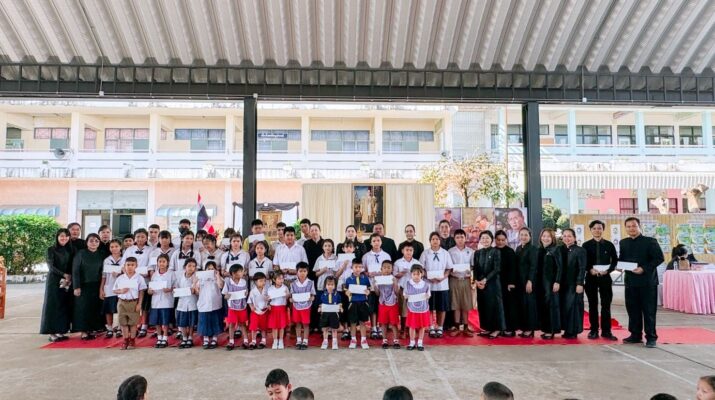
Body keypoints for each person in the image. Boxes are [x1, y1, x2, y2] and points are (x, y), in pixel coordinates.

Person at [619, 216, 664, 348]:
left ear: (639, 227)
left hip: (647, 282)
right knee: (632, 310)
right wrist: (619, 265)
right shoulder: (623, 242)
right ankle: (635, 335)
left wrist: (643, 268)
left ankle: (651, 337)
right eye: (628, 226)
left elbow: (659, 258)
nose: (631, 228)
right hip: (630, 282)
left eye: (634, 226)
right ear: (625, 228)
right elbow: (622, 258)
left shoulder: (650, 241)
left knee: (649, 311)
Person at [582, 220, 618, 340]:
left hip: (605, 278)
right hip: (591, 278)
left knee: (606, 305)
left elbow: (615, 261)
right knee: (592, 305)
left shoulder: (609, 245)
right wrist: (589, 269)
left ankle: (606, 331)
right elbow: (583, 261)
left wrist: (608, 270)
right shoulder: (586, 245)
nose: (597, 230)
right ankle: (593, 330)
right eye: (594, 228)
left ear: (603, 229)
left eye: (599, 228)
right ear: (591, 230)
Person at [40, 228, 75, 342]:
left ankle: (60, 331)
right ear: (57, 237)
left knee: (63, 305)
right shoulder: (51, 249)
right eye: (61, 236)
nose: (64, 238)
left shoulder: (71, 250)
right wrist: (64, 274)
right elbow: (51, 266)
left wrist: (69, 276)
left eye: (66, 236)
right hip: (54, 281)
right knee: (53, 306)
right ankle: (52, 333)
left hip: (67, 281)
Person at [419, 231, 453, 338]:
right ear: (430, 241)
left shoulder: (445, 253)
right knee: (430, 307)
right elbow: (421, 268)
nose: (435, 241)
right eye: (433, 239)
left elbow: (449, 268)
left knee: (441, 307)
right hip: (429, 285)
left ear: (440, 241)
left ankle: (440, 327)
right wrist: (427, 276)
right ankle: (431, 327)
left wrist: (443, 277)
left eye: (437, 239)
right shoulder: (425, 253)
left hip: (442, 285)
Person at [72, 233, 105, 339]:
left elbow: (103, 271)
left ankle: (93, 329)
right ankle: (84, 332)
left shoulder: (101, 254)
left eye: (96, 241)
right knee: (83, 309)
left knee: (94, 308)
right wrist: (76, 286)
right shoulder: (80, 253)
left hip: (97, 285)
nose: (94, 243)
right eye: (91, 241)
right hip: (83, 285)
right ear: (86, 242)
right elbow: (75, 270)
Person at [473, 231, 505, 339]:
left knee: (494, 306)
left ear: (491, 239)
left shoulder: (496, 251)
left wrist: (485, 280)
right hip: (481, 284)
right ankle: (487, 328)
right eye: (483, 238)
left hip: (493, 284)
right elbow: (475, 268)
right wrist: (476, 280)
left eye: (487, 238)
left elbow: (497, 268)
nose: (485, 240)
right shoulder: (477, 253)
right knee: (483, 306)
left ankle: (496, 329)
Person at [121, 228, 152, 337]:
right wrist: (129, 273)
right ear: (134, 238)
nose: (140, 239)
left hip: (145, 280)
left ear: (146, 238)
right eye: (138, 236)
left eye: (143, 236)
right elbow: (123, 264)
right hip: (131, 281)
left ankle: (144, 326)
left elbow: (151, 265)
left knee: (144, 305)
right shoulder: (129, 250)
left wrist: (147, 273)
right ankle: (133, 325)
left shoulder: (151, 250)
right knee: (132, 304)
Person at [112, 257, 147, 350]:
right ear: (124, 266)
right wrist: (121, 291)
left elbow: (141, 291)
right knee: (123, 323)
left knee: (133, 323)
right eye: (128, 265)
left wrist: (139, 304)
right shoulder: (120, 278)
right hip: (122, 302)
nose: (130, 267)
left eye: (132, 265)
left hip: (133, 302)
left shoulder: (139, 278)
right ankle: (125, 340)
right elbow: (114, 290)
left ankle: (132, 340)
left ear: (136, 266)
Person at [363, 233, 392, 339]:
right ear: (371, 243)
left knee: (381, 307)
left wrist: (382, 273)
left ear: (381, 242)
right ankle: (373, 327)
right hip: (372, 285)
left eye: (378, 240)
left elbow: (390, 269)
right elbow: (363, 270)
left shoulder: (386, 255)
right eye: (374, 241)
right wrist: (368, 273)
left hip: (384, 286)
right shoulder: (366, 256)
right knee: (372, 307)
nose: (376, 243)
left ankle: (380, 326)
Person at [560, 228, 587, 339]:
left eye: (569, 236)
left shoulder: (580, 250)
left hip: (575, 284)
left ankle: (573, 331)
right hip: (564, 285)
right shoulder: (562, 250)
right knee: (566, 308)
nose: (567, 238)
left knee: (574, 308)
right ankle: (567, 330)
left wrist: (580, 283)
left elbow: (582, 268)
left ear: (574, 238)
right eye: (564, 236)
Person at [448, 229, 474, 336]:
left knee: (466, 304)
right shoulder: (450, 251)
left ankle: (466, 327)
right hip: (454, 280)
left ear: (465, 238)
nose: (460, 239)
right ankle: (457, 327)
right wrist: (452, 270)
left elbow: (472, 266)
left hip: (466, 280)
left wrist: (469, 270)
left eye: (462, 237)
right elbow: (448, 266)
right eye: (457, 237)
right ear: (454, 239)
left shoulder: (471, 251)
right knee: (456, 304)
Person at [538, 228, 563, 340]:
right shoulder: (540, 250)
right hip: (541, 283)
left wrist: (557, 281)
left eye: (548, 236)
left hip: (551, 282)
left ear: (552, 238)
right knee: (544, 306)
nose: (545, 238)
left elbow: (560, 267)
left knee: (552, 306)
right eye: (544, 236)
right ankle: (545, 329)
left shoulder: (555, 250)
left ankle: (551, 330)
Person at [394, 241, 421, 339]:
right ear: (402, 251)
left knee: (413, 309)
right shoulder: (398, 262)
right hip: (403, 288)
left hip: (414, 289)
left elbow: (421, 275)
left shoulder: (417, 262)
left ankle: (413, 328)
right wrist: (401, 273)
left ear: (413, 251)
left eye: (410, 250)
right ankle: (403, 330)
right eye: (407, 250)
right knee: (403, 310)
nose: (409, 252)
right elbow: (394, 275)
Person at [147, 253, 175, 348]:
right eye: (160, 261)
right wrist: (150, 291)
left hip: (167, 301)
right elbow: (150, 289)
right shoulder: (154, 274)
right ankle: (159, 337)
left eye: (163, 261)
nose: (161, 263)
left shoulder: (171, 274)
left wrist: (169, 289)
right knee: (157, 321)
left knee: (165, 321)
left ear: (168, 263)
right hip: (155, 301)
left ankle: (165, 338)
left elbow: (175, 286)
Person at [515, 227, 539, 338]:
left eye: (526, 235)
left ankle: (530, 329)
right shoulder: (518, 248)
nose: (523, 237)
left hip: (528, 281)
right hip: (519, 281)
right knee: (522, 305)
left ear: (530, 237)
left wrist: (530, 281)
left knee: (529, 305)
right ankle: (524, 328)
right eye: (521, 235)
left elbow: (534, 266)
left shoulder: (533, 249)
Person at [195, 261, 224, 349]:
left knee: (215, 321)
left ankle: (214, 339)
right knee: (204, 321)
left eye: (212, 269)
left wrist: (218, 276)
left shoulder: (218, 278)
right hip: (204, 304)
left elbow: (221, 286)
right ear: (205, 270)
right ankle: (206, 339)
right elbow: (197, 291)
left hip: (215, 303)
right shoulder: (201, 279)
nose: (210, 270)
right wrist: (195, 282)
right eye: (208, 269)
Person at [495, 230, 519, 337]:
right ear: (495, 240)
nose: (500, 242)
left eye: (503, 240)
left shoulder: (510, 251)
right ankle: (500, 328)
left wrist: (511, 282)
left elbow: (513, 268)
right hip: (496, 283)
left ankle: (510, 328)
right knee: (498, 307)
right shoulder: (493, 250)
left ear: (506, 240)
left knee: (509, 306)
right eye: (498, 240)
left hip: (507, 284)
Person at [345, 259, 372, 349]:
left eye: (360, 267)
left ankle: (364, 340)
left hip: (363, 302)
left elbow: (369, 288)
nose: (358, 269)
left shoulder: (365, 278)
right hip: (353, 303)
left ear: (362, 268)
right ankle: (353, 340)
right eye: (356, 267)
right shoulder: (348, 279)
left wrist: (368, 291)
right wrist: (347, 293)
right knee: (353, 323)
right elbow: (346, 290)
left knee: (362, 322)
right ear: (352, 268)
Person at [302, 223, 324, 332]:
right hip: (310, 274)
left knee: (320, 299)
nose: (314, 232)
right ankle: (310, 324)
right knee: (310, 299)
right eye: (312, 230)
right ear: (309, 232)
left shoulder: (325, 243)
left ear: (320, 231)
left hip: (322, 275)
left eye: (316, 230)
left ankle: (321, 324)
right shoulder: (306, 243)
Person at [222, 263, 249, 350]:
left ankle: (246, 341)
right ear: (233, 273)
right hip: (232, 307)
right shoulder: (228, 282)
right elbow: (225, 295)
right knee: (231, 324)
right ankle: (231, 342)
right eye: (240, 272)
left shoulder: (243, 282)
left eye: (242, 271)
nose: (242, 273)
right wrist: (227, 296)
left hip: (242, 307)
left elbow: (246, 291)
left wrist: (246, 293)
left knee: (243, 324)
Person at [100, 239, 123, 338]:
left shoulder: (124, 259)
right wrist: (101, 289)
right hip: (109, 287)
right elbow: (104, 276)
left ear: (120, 247)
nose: (114, 249)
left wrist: (120, 273)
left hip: (121, 287)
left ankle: (119, 328)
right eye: (112, 247)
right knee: (108, 308)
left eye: (116, 246)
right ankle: (109, 328)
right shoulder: (107, 260)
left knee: (120, 308)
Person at [404, 264, 430, 351]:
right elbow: (405, 294)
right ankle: (412, 342)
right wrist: (406, 296)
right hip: (412, 309)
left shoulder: (426, 284)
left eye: (418, 274)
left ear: (422, 274)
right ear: (411, 274)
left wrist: (427, 296)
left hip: (423, 309)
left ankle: (420, 342)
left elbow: (428, 294)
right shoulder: (408, 284)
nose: (416, 276)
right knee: (412, 326)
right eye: (414, 274)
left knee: (422, 326)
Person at [290, 262, 316, 349]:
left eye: (304, 271)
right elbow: (291, 295)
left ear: (307, 272)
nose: (302, 273)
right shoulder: (293, 283)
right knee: (297, 323)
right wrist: (291, 299)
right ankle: (298, 340)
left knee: (306, 324)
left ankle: (305, 341)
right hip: (296, 306)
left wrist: (312, 298)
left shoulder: (311, 282)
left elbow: (313, 295)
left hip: (306, 306)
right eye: (300, 271)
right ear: (297, 272)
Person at [376, 260, 401, 349]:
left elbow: (397, 292)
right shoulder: (378, 279)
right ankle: (384, 340)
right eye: (385, 268)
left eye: (389, 268)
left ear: (392, 269)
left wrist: (395, 283)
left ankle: (396, 340)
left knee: (394, 323)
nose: (386, 269)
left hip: (393, 304)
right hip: (383, 304)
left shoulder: (393, 278)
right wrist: (375, 285)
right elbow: (377, 293)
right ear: (381, 269)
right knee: (383, 323)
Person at [175, 258, 198, 349]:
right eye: (189, 266)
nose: (191, 268)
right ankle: (184, 337)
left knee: (191, 322)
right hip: (182, 303)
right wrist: (175, 291)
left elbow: (194, 290)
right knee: (182, 322)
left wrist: (194, 283)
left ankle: (190, 338)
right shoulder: (180, 277)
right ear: (185, 267)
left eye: (193, 266)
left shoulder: (196, 278)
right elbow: (176, 287)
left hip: (192, 302)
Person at [336, 240, 357, 340]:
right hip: (341, 287)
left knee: (352, 308)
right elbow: (336, 275)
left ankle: (352, 329)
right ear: (343, 249)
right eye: (346, 247)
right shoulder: (339, 259)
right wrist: (344, 265)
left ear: (353, 249)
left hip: (353, 287)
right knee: (343, 307)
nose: (348, 249)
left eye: (350, 247)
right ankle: (345, 329)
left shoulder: (356, 259)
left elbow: (359, 272)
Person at [268, 270, 290, 349]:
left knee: (281, 326)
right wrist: (268, 300)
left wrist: (287, 295)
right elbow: (268, 299)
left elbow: (287, 297)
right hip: (273, 309)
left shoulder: (285, 287)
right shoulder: (270, 288)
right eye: (279, 279)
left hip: (282, 308)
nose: (281, 280)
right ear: (274, 280)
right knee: (274, 326)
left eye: (282, 278)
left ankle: (280, 340)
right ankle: (275, 341)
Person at [248, 272, 270, 349]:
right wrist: (251, 307)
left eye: (264, 281)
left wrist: (269, 304)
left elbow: (270, 300)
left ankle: (263, 340)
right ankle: (253, 341)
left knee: (263, 327)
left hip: (264, 311)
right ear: (255, 282)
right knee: (253, 327)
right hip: (255, 311)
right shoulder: (252, 291)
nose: (263, 282)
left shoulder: (267, 290)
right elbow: (249, 301)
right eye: (260, 281)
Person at [318, 276, 342, 350]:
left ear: (335, 286)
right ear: (325, 285)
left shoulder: (337, 295)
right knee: (325, 328)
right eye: (328, 285)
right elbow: (320, 304)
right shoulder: (323, 295)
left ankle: (334, 342)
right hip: (325, 314)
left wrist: (341, 308)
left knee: (334, 329)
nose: (330, 286)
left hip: (334, 314)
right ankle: (325, 341)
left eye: (332, 285)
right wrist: (320, 308)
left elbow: (339, 303)